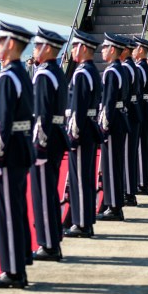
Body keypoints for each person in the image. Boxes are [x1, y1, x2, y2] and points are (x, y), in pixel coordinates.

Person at [0, 21, 35, 289]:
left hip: (9, 152)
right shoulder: (21, 74)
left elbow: (2, 123)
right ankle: (21, 260)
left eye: (0, 41)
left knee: (7, 212)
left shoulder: (7, 76)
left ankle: (13, 270)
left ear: (12, 45)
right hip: (22, 146)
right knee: (16, 208)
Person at [30, 27, 68, 261]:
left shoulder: (44, 75)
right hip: (56, 135)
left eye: (36, 46)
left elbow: (42, 115)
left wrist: (39, 146)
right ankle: (54, 237)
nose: (34, 49)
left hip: (46, 138)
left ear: (46, 49)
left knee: (42, 192)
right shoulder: (56, 72)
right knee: (49, 190)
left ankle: (48, 244)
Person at [63, 30, 102, 238]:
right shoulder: (92, 71)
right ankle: (86, 220)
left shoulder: (81, 73)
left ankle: (81, 223)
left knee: (79, 179)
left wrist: (72, 135)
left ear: (84, 48)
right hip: (90, 128)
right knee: (85, 178)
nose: (72, 50)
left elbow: (78, 109)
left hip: (82, 130)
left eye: (75, 46)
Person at [97, 34, 128, 222]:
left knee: (110, 166)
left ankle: (113, 207)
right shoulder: (121, 70)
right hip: (120, 119)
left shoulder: (111, 72)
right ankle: (115, 205)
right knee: (115, 165)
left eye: (105, 47)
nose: (102, 50)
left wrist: (104, 126)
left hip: (113, 122)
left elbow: (108, 103)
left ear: (112, 50)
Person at [117, 36, 141, 207]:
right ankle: (130, 191)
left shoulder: (126, 68)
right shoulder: (133, 67)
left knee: (126, 155)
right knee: (129, 155)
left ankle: (128, 192)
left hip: (128, 113)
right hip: (134, 111)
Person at [132, 37, 148, 194]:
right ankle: (144, 180)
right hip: (146, 108)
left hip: (140, 108)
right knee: (144, 147)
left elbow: (137, 92)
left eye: (135, 48)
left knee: (140, 147)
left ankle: (141, 182)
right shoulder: (144, 67)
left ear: (140, 50)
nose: (133, 50)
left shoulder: (139, 68)